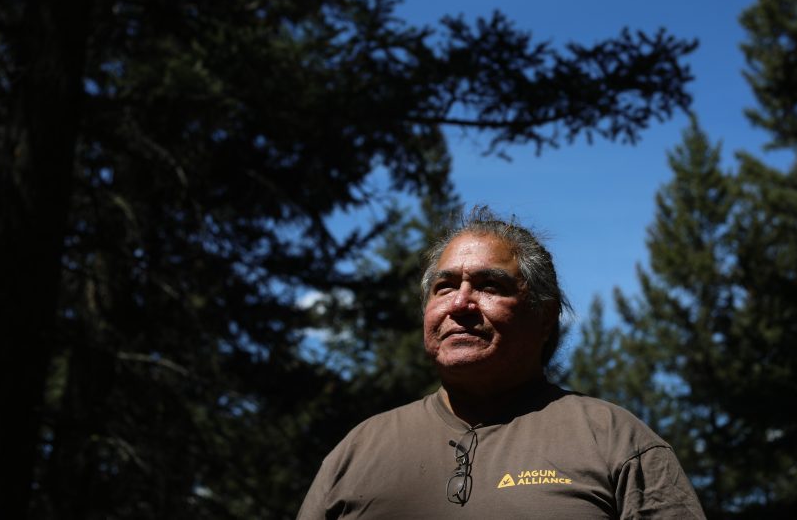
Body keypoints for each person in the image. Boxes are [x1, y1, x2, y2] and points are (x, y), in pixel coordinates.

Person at [297, 207, 706, 519]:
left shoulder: (616, 441)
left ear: (545, 317)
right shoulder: (357, 451)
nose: (460, 303)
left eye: (490, 285)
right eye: (445, 287)